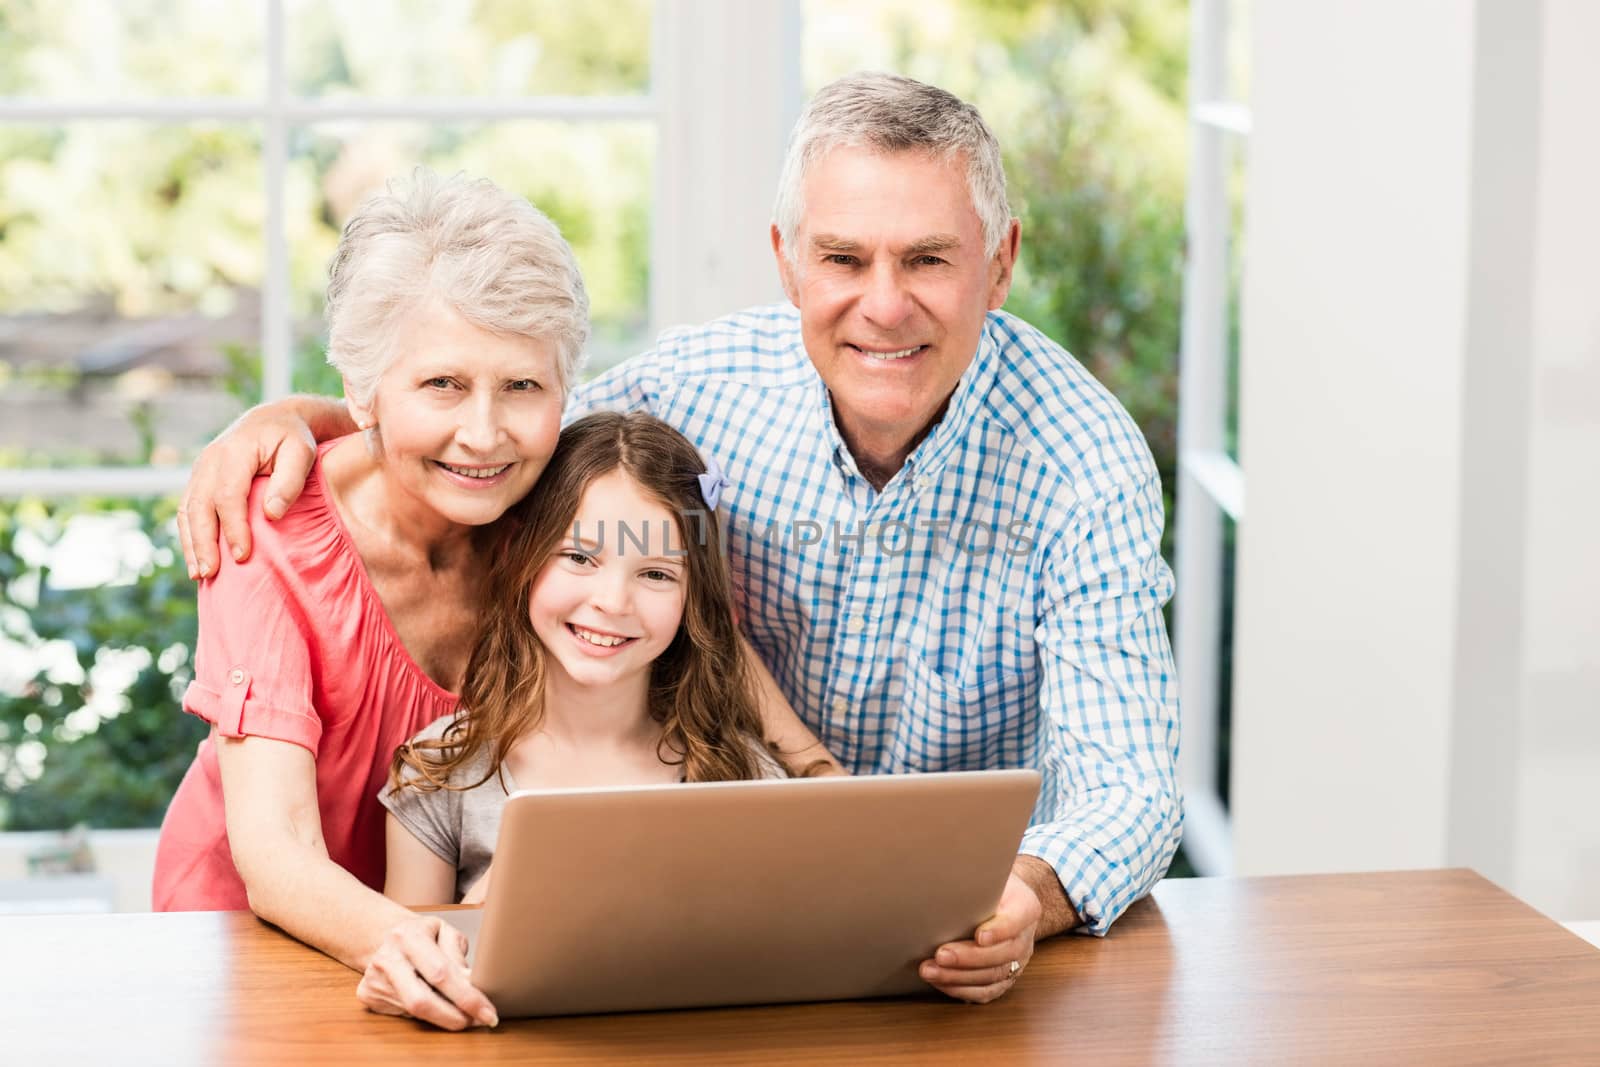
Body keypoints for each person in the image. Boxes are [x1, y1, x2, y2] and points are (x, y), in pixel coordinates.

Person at [177, 72, 1183, 1006]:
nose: (883, 303)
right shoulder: (686, 391)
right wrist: (292, 419)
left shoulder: (1082, 461)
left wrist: (1021, 890)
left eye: (928, 258)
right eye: (843, 257)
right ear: (788, 262)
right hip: (309, 942)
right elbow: (469, 410)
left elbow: (1130, 787)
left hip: (914, 946)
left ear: (999, 263)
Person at [154, 170, 834, 1030]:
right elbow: (276, 854)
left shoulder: (551, 501)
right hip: (260, 937)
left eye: (523, 387)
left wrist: (817, 778)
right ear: (365, 390)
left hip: (466, 945)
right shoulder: (273, 529)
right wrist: (408, 939)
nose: (485, 434)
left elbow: (700, 628)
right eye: (442, 385)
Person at [375, 412, 803, 921]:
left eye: (656, 573)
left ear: (694, 598)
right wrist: (492, 902)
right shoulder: (440, 770)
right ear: (524, 559)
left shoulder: (743, 775)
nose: (613, 601)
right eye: (579, 558)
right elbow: (406, 964)